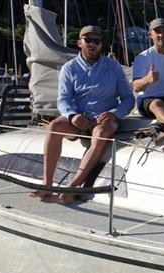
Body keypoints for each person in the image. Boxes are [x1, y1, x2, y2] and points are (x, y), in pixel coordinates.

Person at [31, 25, 133, 204]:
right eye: (88, 40)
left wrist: (114, 113)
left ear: (101, 45)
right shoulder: (69, 68)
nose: (92, 44)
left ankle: (73, 185)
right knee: (55, 126)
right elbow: (63, 99)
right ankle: (47, 184)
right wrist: (72, 116)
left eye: (97, 41)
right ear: (79, 43)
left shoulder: (113, 67)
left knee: (101, 133)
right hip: (79, 118)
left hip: (104, 118)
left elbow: (128, 98)